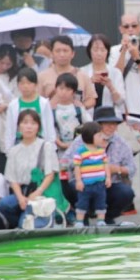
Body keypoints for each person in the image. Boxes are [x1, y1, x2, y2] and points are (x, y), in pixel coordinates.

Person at [0, 109, 59, 229]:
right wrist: (20, 197)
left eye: (33, 123)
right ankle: (19, 219)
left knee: (26, 225)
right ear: (19, 127)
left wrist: (37, 192)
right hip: (23, 191)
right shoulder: (14, 150)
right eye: (25, 122)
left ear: (38, 128)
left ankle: (26, 221)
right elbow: (12, 178)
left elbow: (50, 174)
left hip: (41, 191)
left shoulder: (46, 146)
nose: (29, 127)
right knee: (4, 204)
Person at [93, 107, 137, 224]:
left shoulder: (122, 143)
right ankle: (83, 215)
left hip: (111, 184)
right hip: (88, 183)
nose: (111, 127)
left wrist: (117, 169)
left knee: (126, 193)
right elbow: (68, 162)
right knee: (71, 185)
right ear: (98, 125)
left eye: (114, 124)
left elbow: (132, 168)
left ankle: (108, 216)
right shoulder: (83, 139)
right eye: (107, 124)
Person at [48, 73, 87, 208]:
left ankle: (81, 207)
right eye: (61, 88)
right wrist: (60, 143)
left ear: (73, 92)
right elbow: (50, 130)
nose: (63, 92)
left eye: (68, 89)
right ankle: (67, 208)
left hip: (78, 152)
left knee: (78, 178)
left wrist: (75, 143)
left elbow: (88, 127)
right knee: (62, 180)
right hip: (60, 153)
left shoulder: (78, 109)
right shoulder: (51, 110)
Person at [4, 66, 54, 152]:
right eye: (22, 83)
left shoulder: (43, 103)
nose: (25, 86)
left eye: (29, 83)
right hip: (19, 142)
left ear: (35, 84)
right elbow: (10, 128)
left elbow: (49, 126)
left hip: (40, 142)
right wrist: (9, 149)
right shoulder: (13, 105)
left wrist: (51, 146)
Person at [71, 121, 111, 228]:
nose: (101, 138)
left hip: (100, 183)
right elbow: (77, 167)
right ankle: (79, 221)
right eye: (99, 135)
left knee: (101, 202)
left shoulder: (101, 151)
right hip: (86, 184)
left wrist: (108, 177)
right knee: (82, 202)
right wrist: (78, 181)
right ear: (89, 136)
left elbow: (106, 164)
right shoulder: (81, 151)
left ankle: (101, 220)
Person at [79, 34, 125, 118]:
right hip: (88, 118)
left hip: (110, 118)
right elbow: (77, 97)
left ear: (107, 51)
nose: (99, 53)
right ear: (89, 51)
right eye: (95, 50)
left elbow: (120, 101)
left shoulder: (115, 73)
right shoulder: (82, 72)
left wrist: (110, 86)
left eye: (102, 50)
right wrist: (89, 82)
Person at [38, 35, 85, 103]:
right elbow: (38, 99)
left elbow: (91, 98)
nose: (62, 54)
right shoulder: (42, 76)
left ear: (73, 53)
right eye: (58, 51)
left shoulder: (82, 74)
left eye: (65, 51)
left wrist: (81, 107)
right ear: (52, 53)